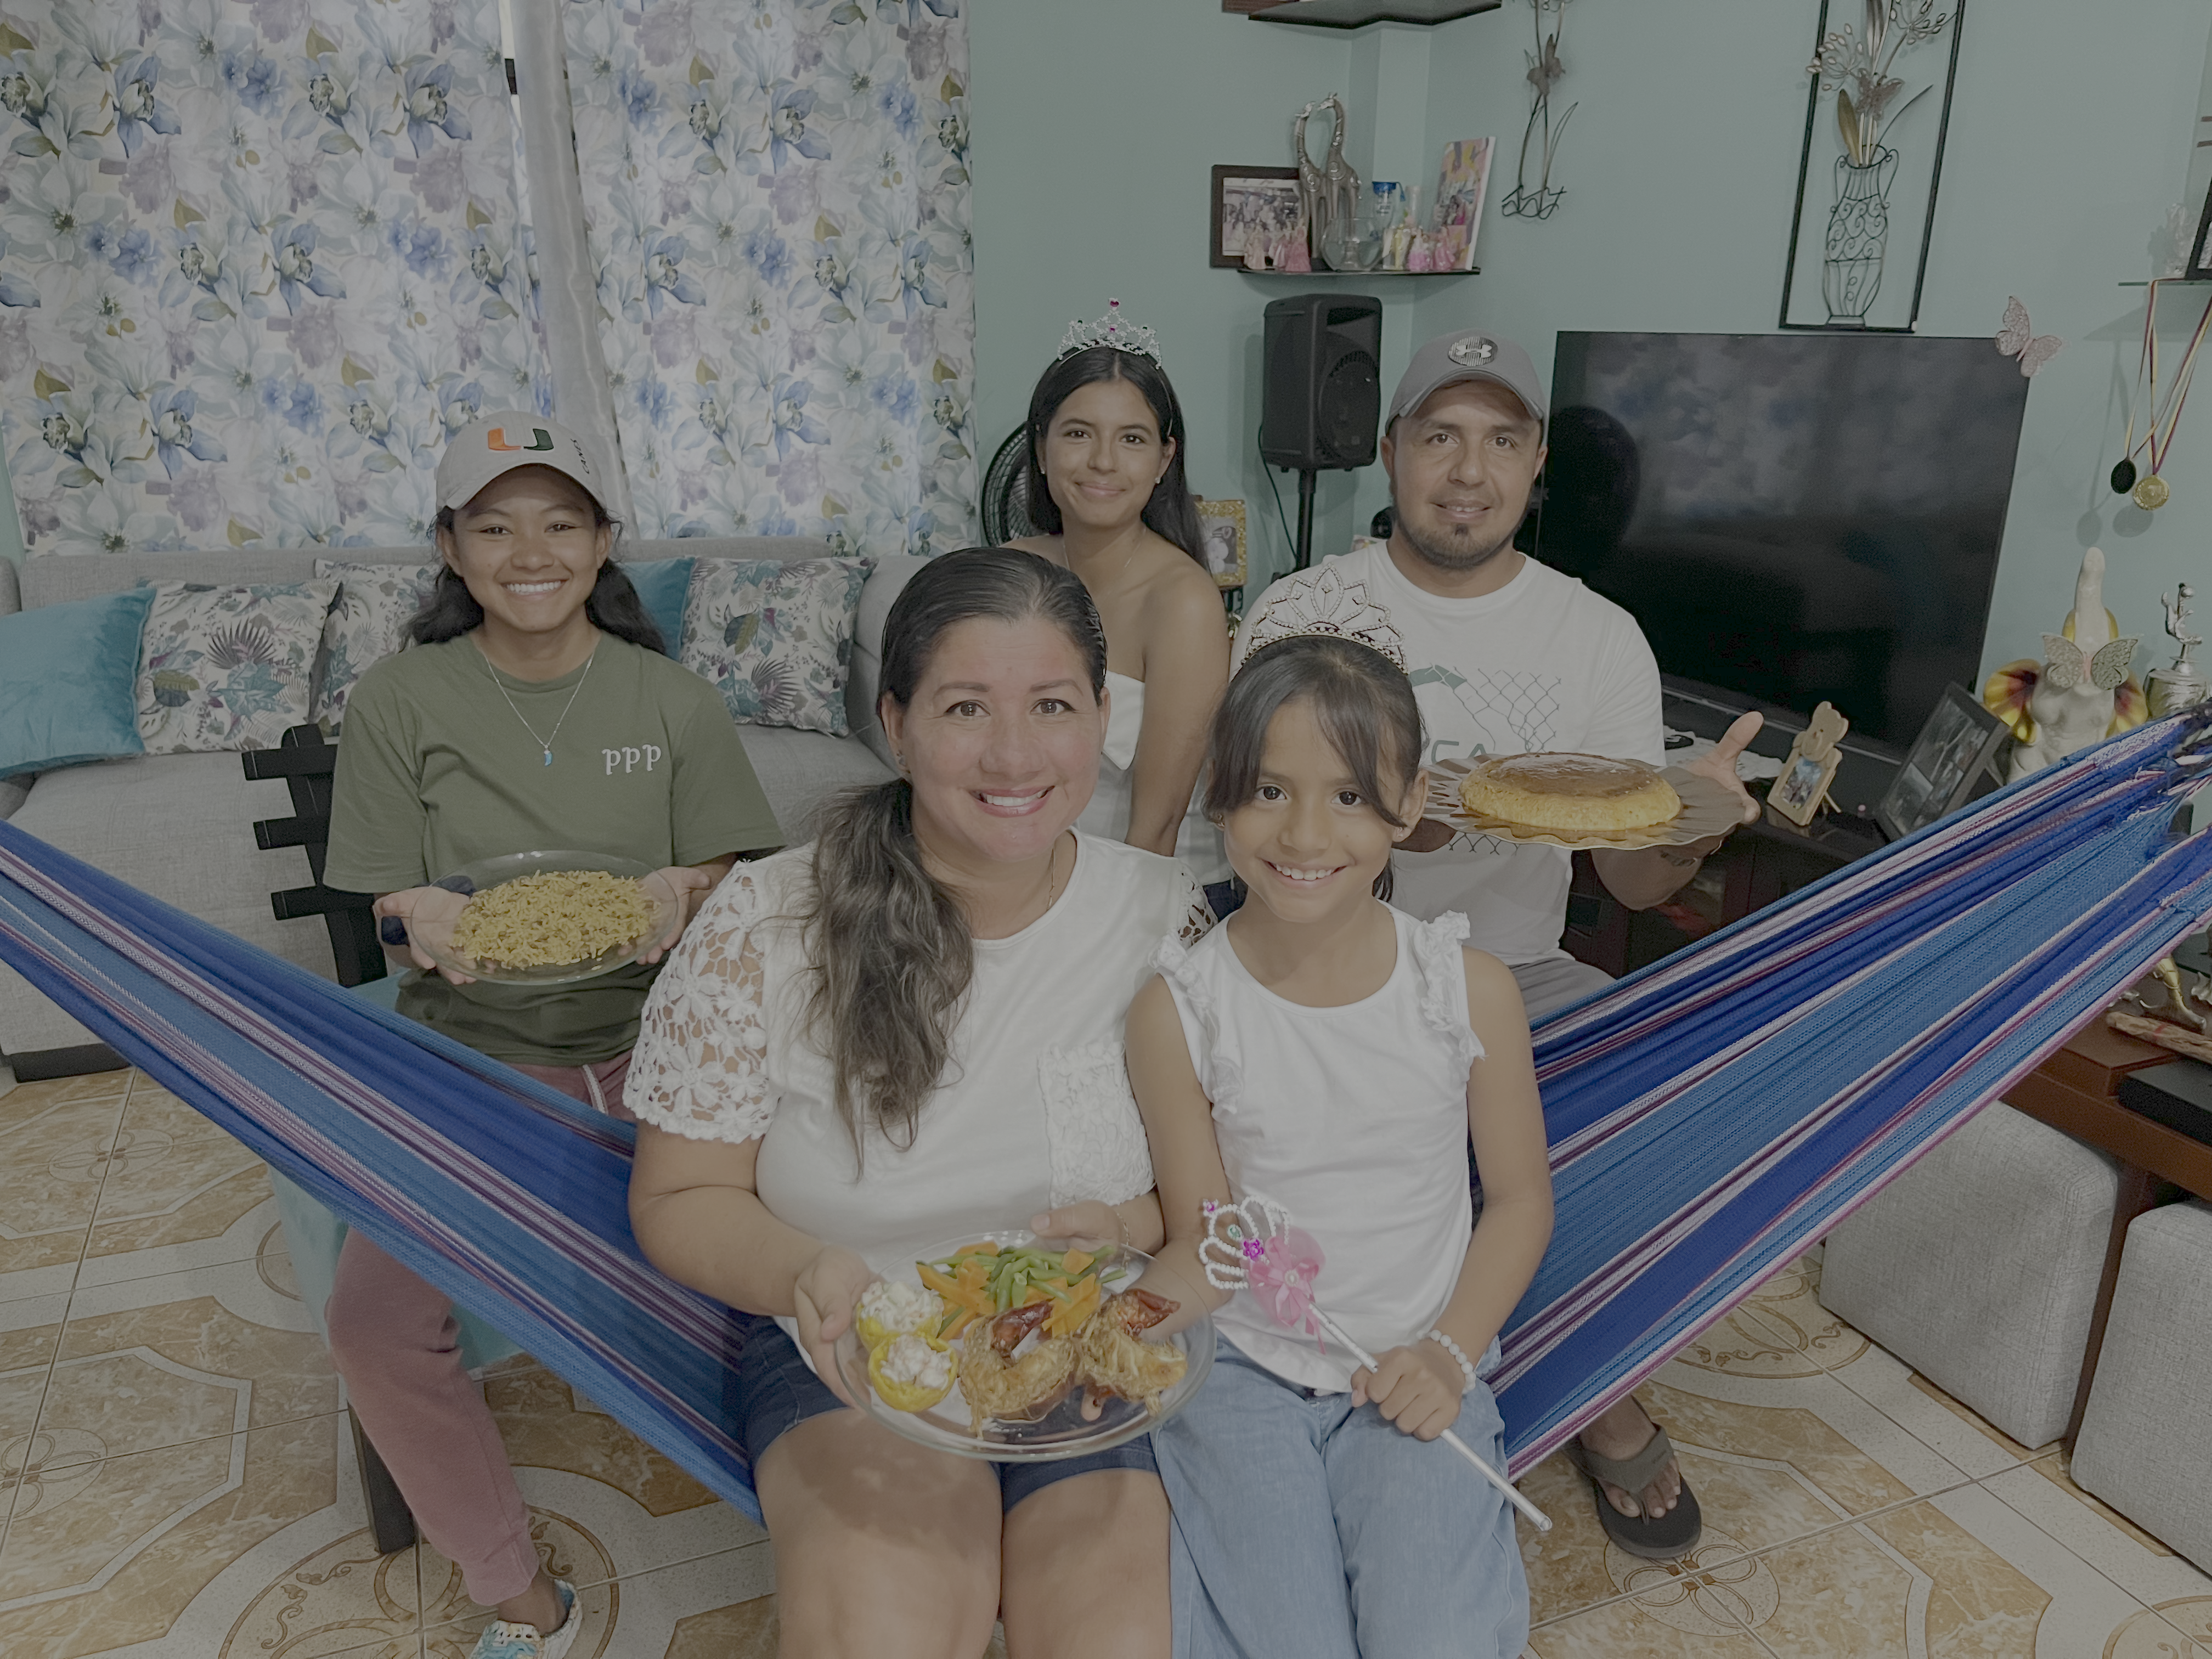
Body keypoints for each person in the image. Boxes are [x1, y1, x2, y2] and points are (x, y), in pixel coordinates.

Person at [623, 548, 1210, 1657]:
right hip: (853, 1355)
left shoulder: (1163, 916)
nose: (1014, 753)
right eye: (964, 707)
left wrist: (1139, 1237)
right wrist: (803, 1273)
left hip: (1086, 1348)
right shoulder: (770, 920)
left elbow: (1217, 1178)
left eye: (1053, 706)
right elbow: (683, 1193)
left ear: (1101, 721)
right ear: (894, 721)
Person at [1235, 329, 1762, 1560]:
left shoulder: (1597, 639)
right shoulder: (1308, 608)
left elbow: (1627, 874)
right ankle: (1599, 1403)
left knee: (1661, 1103)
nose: (1467, 471)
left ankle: (1582, 1358)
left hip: (1516, 972)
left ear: (1535, 469)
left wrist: (1686, 825)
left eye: (1501, 442)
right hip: (1324, 952)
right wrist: (1378, 830)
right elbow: (1257, 806)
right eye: (1439, 437)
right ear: (1392, 453)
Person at [321, 410, 782, 1659]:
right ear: (452, 547)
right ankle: (520, 1600)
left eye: (559, 521)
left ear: (603, 541)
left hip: (664, 1052)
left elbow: (730, 866)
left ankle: (815, 1510)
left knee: (781, 1261)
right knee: (372, 1321)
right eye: (494, 523)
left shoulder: (669, 699)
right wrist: (420, 915)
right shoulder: (401, 699)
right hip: (470, 1064)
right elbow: (385, 901)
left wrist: (678, 892)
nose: (531, 550)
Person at [1130, 627, 1552, 1658]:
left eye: (1351, 795)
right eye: (1267, 790)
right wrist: (1109, 1311)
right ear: (1218, 798)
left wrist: (1448, 1354)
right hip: (1239, 1374)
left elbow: (1520, 1199)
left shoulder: (1467, 990)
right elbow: (1209, 1237)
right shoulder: (1176, 1009)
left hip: (1417, 1360)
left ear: (1409, 806)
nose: (1306, 831)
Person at [1009, 302, 1238, 915]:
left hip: (1153, 891)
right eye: (1078, 434)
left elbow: (1157, 827)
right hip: (1039, 876)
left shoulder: (1183, 602)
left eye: (1131, 439)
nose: (1104, 462)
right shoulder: (1012, 570)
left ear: (1164, 460)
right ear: (1041, 448)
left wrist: (1092, 939)